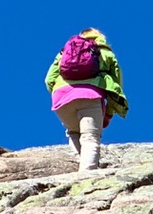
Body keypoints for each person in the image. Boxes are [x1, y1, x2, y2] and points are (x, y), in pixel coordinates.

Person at [45, 30, 128, 172]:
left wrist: (59, 92)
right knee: (90, 137)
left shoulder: (65, 52)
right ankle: (87, 172)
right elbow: (116, 85)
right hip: (90, 96)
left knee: (73, 131)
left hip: (61, 99)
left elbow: (48, 80)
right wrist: (108, 113)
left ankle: (81, 162)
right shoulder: (105, 53)